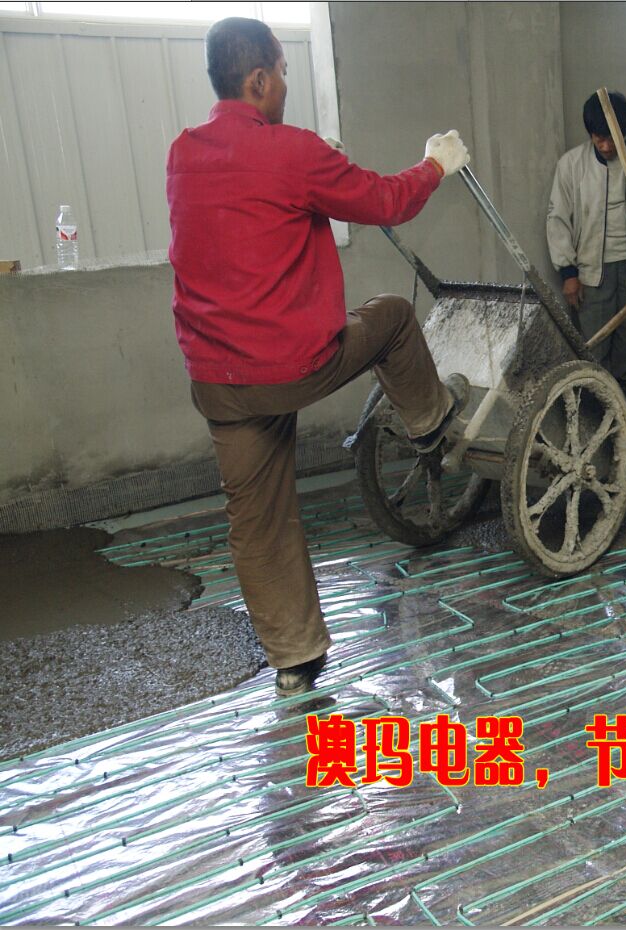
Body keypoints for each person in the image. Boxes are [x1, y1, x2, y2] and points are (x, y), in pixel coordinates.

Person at [167, 17, 471, 696]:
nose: (284, 85)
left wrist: (313, 162)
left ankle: (295, 661)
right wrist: (434, 165)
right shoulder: (293, 153)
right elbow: (384, 200)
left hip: (217, 377)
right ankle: (429, 422)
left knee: (257, 519)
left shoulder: (183, 153)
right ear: (258, 79)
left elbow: (254, 207)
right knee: (393, 315)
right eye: (280, 73)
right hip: (292, 365)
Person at [547, 91, 626, 390]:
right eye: (598, 139)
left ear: (623, 133)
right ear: (590, 134)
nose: (605, 146)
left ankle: (622, 411)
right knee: (593, 352)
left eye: (611, 139)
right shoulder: (571, 165)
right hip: (591, 276)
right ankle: (595, 413)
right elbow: (558, 219)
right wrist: (568, 274)